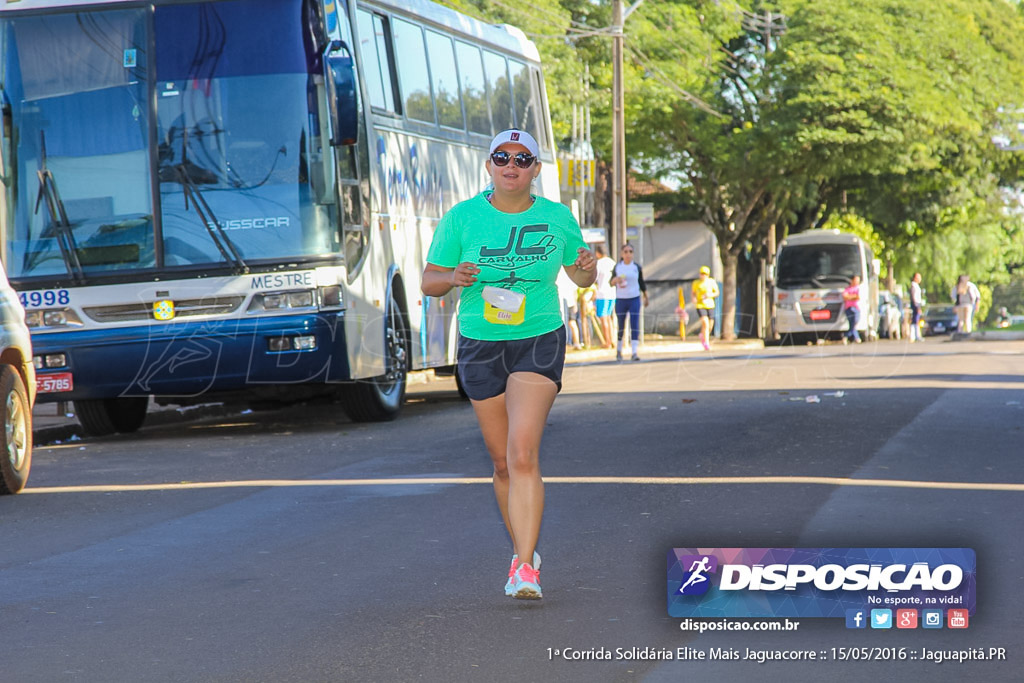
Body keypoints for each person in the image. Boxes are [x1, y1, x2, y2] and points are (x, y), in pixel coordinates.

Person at [421, 129, 596, 600]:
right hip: (480, 342)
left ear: (536, 169)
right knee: (501, 463)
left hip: (537, 336)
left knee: (522, 453)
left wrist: (588, 265)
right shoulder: (462, 218)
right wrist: (453, 276)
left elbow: (580, 276)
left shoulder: (558, 218)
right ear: (490, 166)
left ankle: (524, 567)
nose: (511, 165)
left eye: (523, 159)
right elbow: (428, 282)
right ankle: (524, 549)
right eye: (502, 157)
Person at [611, 243, 648, 361]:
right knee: (621, 324)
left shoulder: (636, 267)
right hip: (621, 299)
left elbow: (641, 282)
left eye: (630, 251)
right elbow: (610, 282)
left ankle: (634, 352)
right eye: (626, 252)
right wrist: (615, 280)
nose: (628, 254)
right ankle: (619, 350)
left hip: (634, 298)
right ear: (622, 254)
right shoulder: (618, 267)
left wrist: (646, 296)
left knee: (634, 323)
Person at [593, 244, 617, 349]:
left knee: (603, 318)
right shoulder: (612, 262)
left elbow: (594, 278)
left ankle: (607, 342)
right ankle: (612, 340)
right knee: (609, 317)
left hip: (602, 294)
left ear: (598, 253)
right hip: (612, 293)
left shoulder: (599, 264)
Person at [691, 265, 719, 350]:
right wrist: (694, 298)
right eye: (701, 274)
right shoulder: (696, 283)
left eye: (705, 274)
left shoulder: (711, 282)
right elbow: (693, 293)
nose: (703, 275)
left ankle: (702, 335)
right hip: (700, 305)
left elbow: (717, 292)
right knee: (705, 323)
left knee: (710, 325)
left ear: (708, 275)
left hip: (710, 305)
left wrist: (709, 295)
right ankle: (706, 343)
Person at [842, 274, 862, 343]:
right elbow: (845, 297)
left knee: (854, 323)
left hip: (856, 308)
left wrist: (849, 297)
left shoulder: (858, 288)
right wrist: (853, 296)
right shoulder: (847, 289)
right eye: (856, 280)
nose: (857, 282)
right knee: (852, 324)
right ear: (852, 280)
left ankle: (846, 336)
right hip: (848, 309)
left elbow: (858, 297)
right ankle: (856, 338)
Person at [909, 272, 923, 342]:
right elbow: (914, 296)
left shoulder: (916, 285)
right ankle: (914, 335)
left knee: (916, 320)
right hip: (916, 304)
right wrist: (917, 306)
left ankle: (916, 335)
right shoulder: (913, 285)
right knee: (915, 320)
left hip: (917, 303)